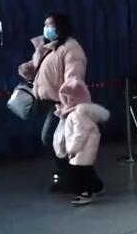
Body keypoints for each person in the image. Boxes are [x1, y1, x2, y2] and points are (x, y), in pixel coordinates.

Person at [17, 13, 92, 194]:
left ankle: (83, 180)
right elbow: (43, 68)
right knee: (58, 142)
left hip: (62, 104)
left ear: (61, 25)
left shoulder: (71, 48)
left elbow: (74, 78)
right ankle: (69, 178)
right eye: (45, 24)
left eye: (51, 24)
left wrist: (68, 105)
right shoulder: (49, 48)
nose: (47, 28)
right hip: (47, 102)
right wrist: (28, 68)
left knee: (55, 139)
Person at [53, 101, 109, 205]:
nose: (57, 107)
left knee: (80, 171)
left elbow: (80, 135)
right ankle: (97, 187)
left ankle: (85, 193)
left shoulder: (76, 115)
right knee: (86, 169)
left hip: (82, 148)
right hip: (82, 148)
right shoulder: (73, 115)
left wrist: (73, 149)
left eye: (60, 104)